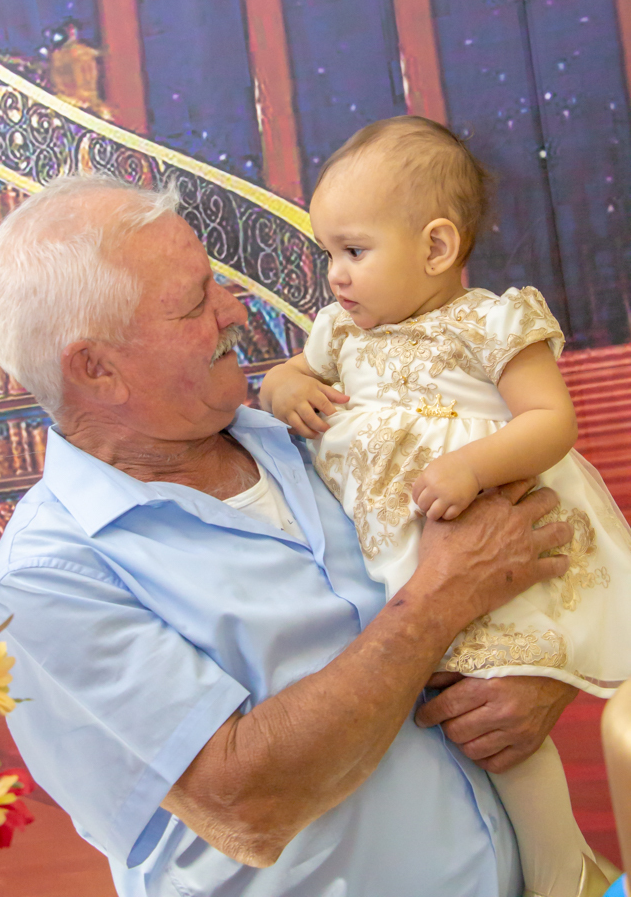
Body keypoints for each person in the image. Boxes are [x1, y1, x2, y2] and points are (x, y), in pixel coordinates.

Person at [0, 174, 578, 897]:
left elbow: (521, 548)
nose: (234, 311)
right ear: (97, 369)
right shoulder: (50, 577)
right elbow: (245, 805)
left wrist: (542, 680)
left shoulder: (321, 434)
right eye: (195, 302)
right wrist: (438, 600)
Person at [260, 116, 630, 897]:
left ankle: (564, 872)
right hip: (404, 563)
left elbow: (548, 421)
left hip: (487, 535)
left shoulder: (489, 322)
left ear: (434, 248)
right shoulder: (337, 334)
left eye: (353, 251)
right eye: (328, 253)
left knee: (490, 720)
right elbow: (285, 374)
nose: (334, 275)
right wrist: (286, 386)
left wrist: (469, 465)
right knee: (447, 719)